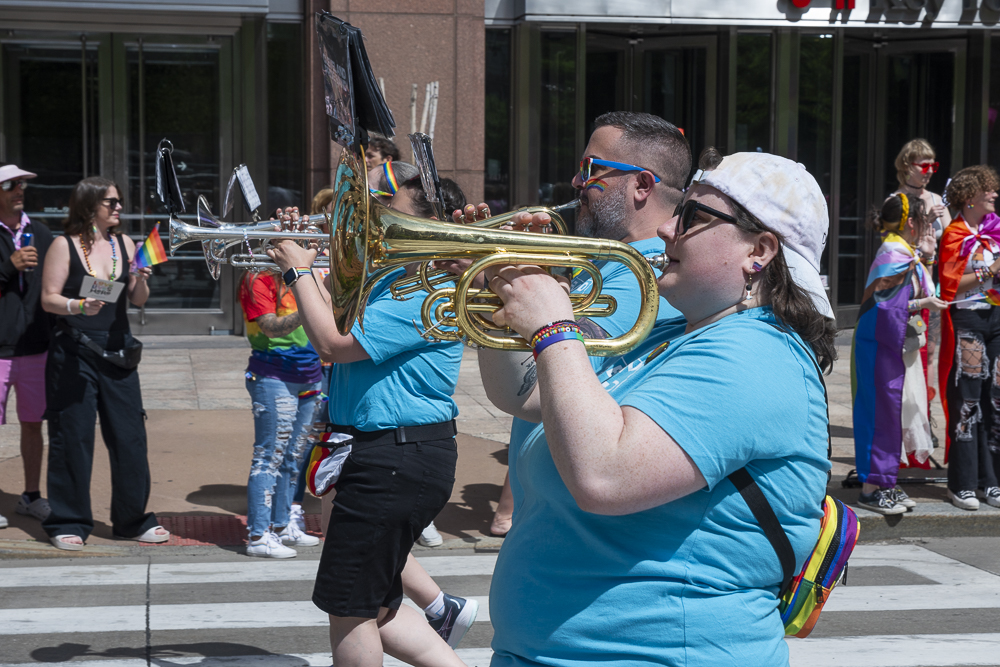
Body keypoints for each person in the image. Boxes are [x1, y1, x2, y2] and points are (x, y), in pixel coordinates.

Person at [480, 149, 835, 665]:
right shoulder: (668, 332)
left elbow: (605, 476)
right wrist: (501, 289)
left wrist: (553, 326)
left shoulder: (757, 355)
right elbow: (526, 393)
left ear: (758, 251)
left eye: (691, 216)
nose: (667, 228)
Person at [268, 172, 475, 666]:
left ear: (430, 228)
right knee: (377, 608)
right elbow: (330, 316)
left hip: (395, 458)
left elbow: (332, 345)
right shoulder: (394, 279)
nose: (380, 225)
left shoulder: (426, 292)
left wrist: (298, 275)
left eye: (393, 216)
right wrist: (297, 260)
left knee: (348, 609)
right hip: (388, 453)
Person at [476, 111, 689, 537]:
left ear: (642, 184)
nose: (576, 181)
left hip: (580, 527)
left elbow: (531, 394)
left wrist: (503, 281)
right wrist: (491, 283)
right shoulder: (602, 261)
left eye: (591, 169)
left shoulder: (644, 274)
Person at [39, 177, 168, 550]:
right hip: (74, 352)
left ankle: (131, 520)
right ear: (89, 205)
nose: (118, 207)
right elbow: (48, 298)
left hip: (117, 352)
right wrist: (77, 306)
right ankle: (68, 520)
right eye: (111, 202)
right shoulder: (63, 245)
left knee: (130, 437)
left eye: (119, 201)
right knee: (72, 437)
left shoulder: (124, 244)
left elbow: (137, 299)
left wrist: (140, 279)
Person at [851, 194, 948, 515]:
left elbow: (923, 291)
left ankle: (886, 482)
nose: (928, 225)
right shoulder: (893, 252)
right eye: (924, 219)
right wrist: (922, 303)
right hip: (879, 341)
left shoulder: (905, 251)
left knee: (892, 413)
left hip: (892, 341)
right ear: (911, 223)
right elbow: (885, 306)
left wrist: (928, 257)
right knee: (880, 412)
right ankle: (870, 489)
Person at [238, 255, 324, 558]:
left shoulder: (310, 274)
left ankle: (282, 524)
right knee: (269, 456)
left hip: (311, 375)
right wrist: (314, 305)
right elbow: (271, 327)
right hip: (274, 376)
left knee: (294, 456)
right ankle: (258, 535)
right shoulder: (257, 278)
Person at [938, 166, 1000, 510]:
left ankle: (991, 481)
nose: (994, 194)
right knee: (968, 400)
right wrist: (991, 269)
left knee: (996, 399)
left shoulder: (996, 229)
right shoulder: (954, 234)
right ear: (969, 197)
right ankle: (962, 483)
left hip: (997, 319)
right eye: (987, 189)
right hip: (967, 319)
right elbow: (950, 286)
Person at [0, 164, 53, 529]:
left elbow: (62, 281)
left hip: (35, 348)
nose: (19, 190)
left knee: (33, 425)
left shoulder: (42, 233)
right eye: (10, 185)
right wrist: (9, 266)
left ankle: (31, 496)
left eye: (22, 184)